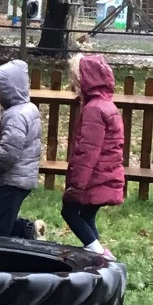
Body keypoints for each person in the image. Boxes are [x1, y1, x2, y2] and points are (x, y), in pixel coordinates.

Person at [62, 53, 125, 260]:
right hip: (104, 175)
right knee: (87, 216)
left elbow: (87, 152)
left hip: (93, 177)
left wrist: (76, 186)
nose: (73, 85)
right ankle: (97, 254)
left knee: (69, 212)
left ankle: (100, 254)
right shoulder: (106, 105)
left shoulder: (94, 110)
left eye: (75, 79)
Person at [0, 58, 44, 238]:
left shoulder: (16, 116)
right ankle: (28, 230)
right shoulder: (26, 109)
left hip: (13, 179)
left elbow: (9, 152)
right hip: (17, 177)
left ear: (9, 89)